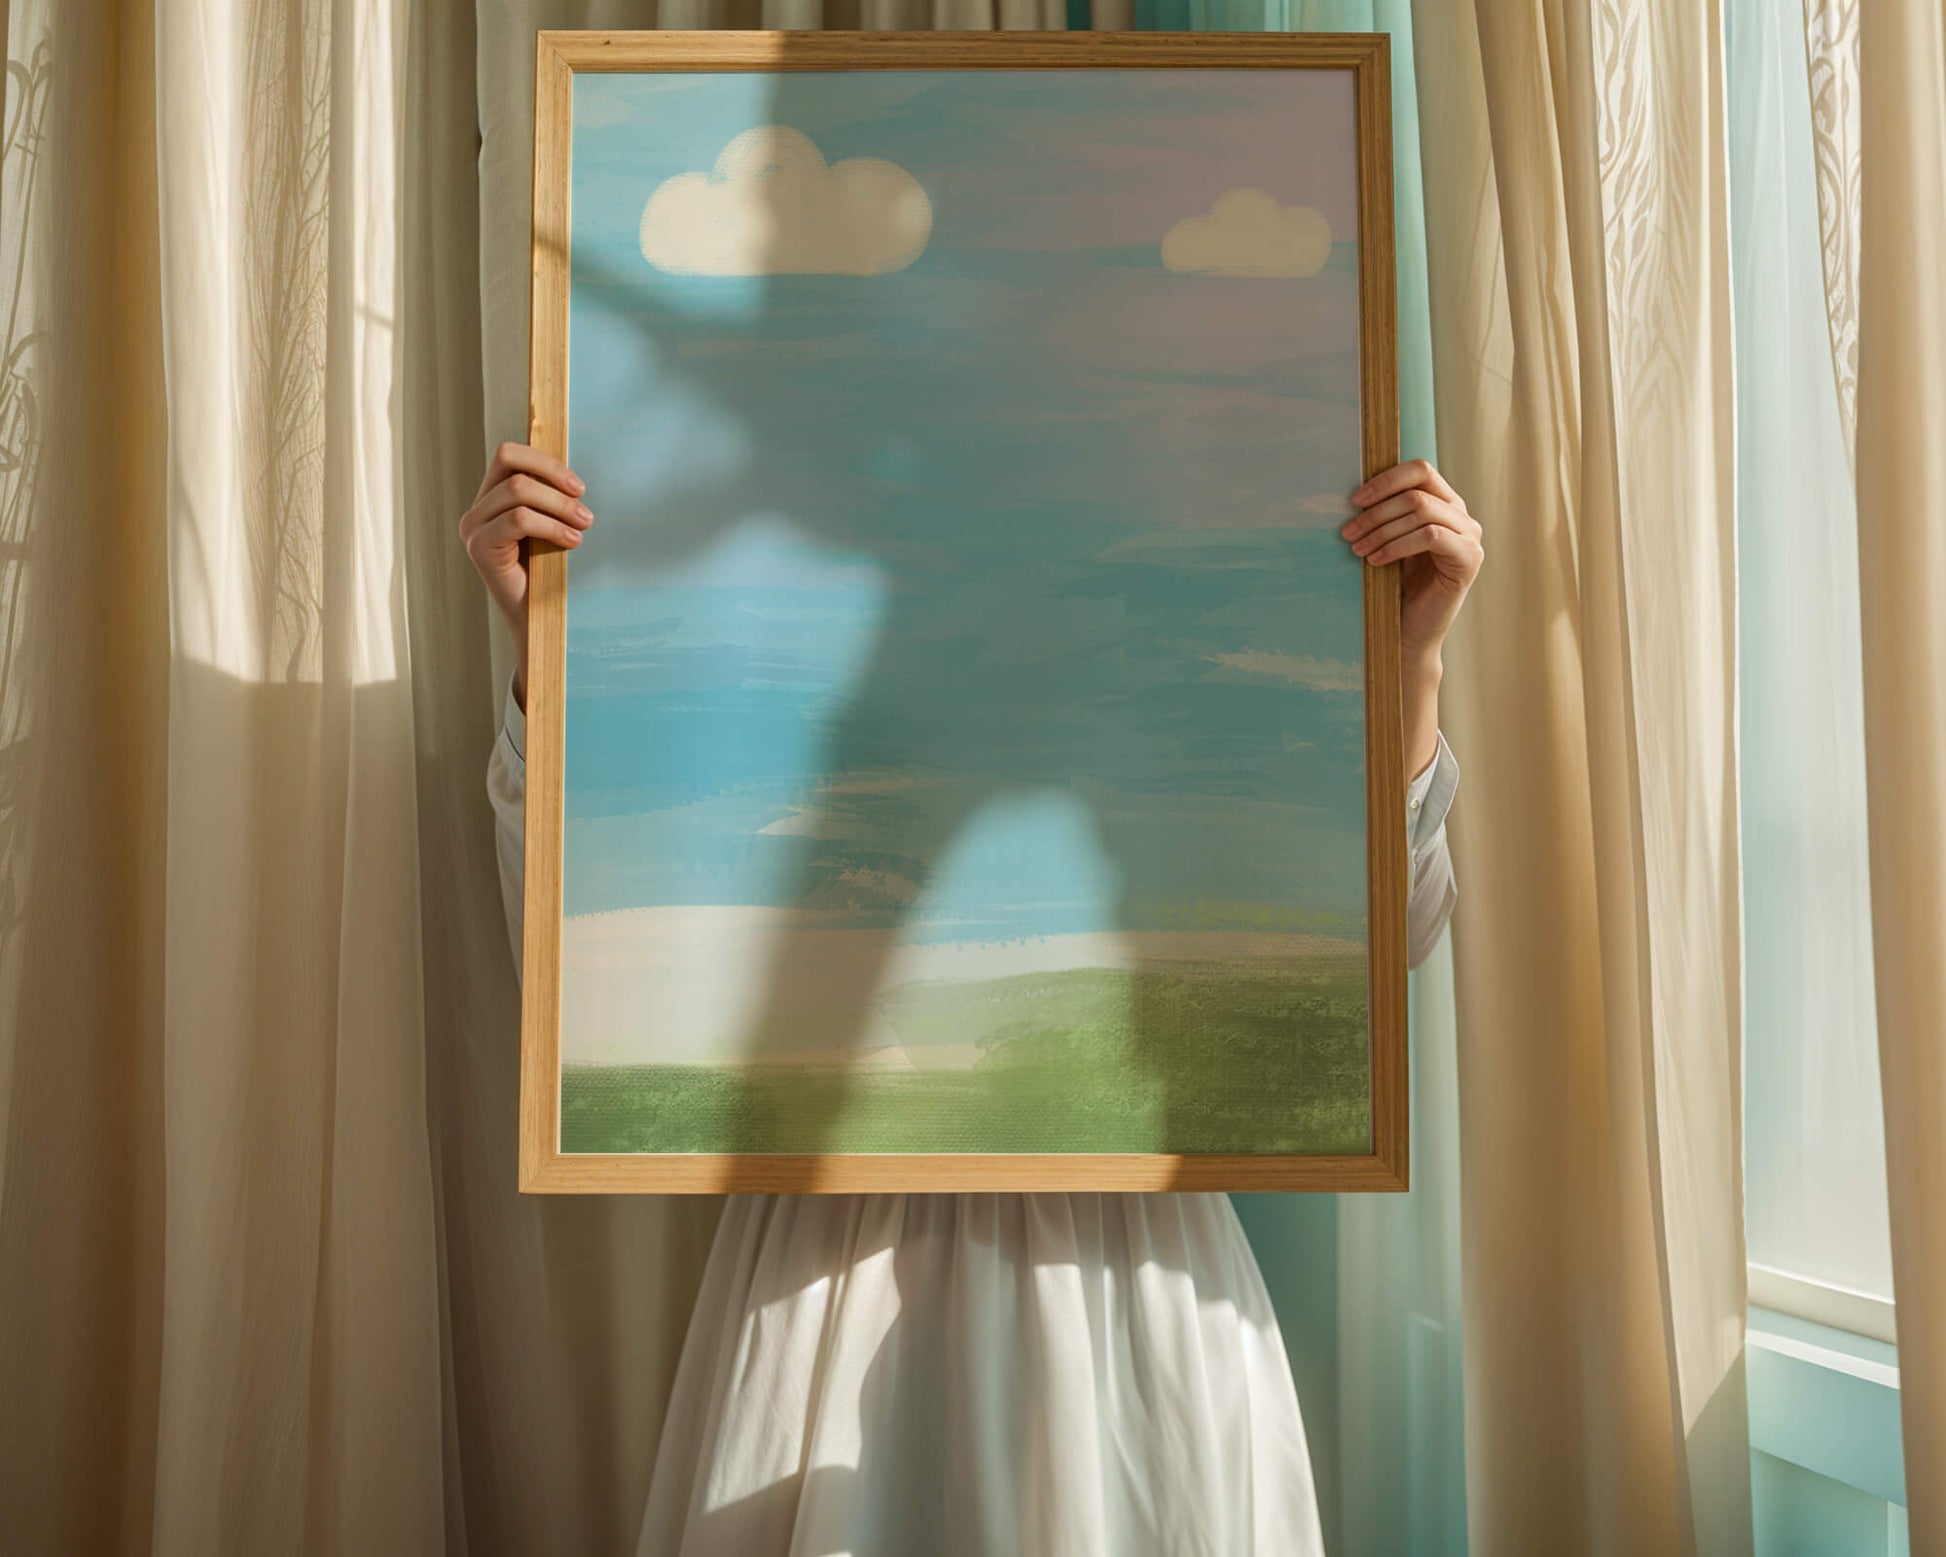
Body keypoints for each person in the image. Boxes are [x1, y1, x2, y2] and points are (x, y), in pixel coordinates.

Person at [464, 445, 1481, 1556]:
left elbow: (1382, 950)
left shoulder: (1169, 720)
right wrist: (552, 643)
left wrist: (1407, 660)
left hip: (1130, 1264)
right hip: (831, 1263)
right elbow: (586, 968)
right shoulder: (788, 712)